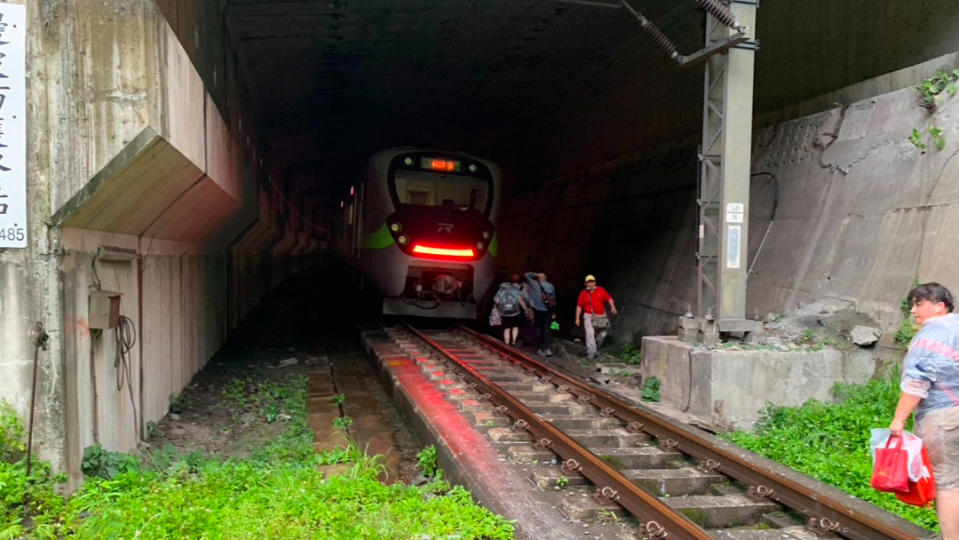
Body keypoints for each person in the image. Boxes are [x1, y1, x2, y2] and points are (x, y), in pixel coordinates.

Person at [889, 282, 959, 538]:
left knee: (949, 485)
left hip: (944, 419)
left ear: (940, 306)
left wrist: (898, 421)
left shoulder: (931, 335)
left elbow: (917, 383)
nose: (914, 312)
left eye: (919, 304)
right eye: (912, 306)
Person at [574, 275, 617, 360]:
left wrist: (612, 307)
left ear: (595, 282)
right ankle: (591, 352)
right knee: (590, 334)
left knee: (603, 334)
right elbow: (579, 306)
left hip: (600, 316)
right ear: (585, 284)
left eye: (592, 281)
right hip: (588, 315)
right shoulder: (583, 293)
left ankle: (595, 347)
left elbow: (609, 299)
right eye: (589, 282)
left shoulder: (601, 290)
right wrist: (577, 318)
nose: (591, 283)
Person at [524, 271, 556, 357]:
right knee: (546, 329)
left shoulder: (534, 284)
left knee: (537, 328)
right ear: (545, 278)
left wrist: (535, 274)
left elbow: (526, 275)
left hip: (537, 310)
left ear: (538, 278)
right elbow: (553, 300)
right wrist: (553, 312)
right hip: (547, 311)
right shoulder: (550, 286)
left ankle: (539, 347)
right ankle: (547, 348)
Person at [493, 275, 528, 346]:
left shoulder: (501, 290)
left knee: (506, 329)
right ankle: (514, 341)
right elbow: (520, 300)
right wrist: (525, 309)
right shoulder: (516, 290)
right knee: (515, 327)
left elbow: (496, 300)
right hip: (515, 312)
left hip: (504, 312)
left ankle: (506, 343)